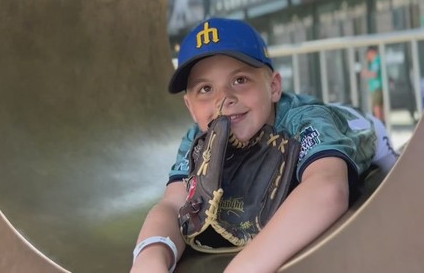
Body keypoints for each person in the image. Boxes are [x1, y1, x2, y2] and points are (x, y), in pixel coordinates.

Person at [131, 17, 399, 273]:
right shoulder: (196, 139)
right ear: (190, 107)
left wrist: (244, 266)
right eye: (205, 89)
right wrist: (150, 255)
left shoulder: (304, 122)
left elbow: (327, 189)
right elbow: (172, 205)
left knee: (398, 193)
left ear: (273, 87)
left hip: (359, 129)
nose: (224, 99)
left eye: (240, 80)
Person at [361, 46, 385, 123]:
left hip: (377, 87)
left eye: (367, 55)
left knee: (377, 106)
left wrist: (365, 73)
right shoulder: (378, 60)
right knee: (380, 106)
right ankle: (381, 122)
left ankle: (379, 123)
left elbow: (374, 74)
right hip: (378, 87)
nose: (367, 57)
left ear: (371, 53)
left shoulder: (376, 61)